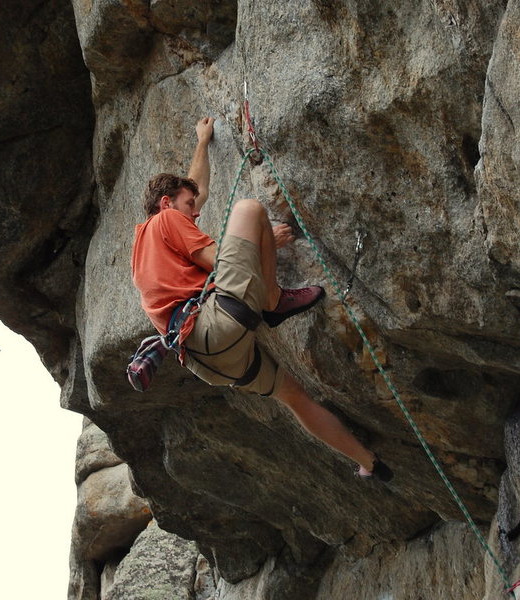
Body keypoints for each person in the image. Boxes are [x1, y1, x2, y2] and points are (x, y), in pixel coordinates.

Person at [131, 117, 392, 481]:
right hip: (216, 325)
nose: (197, 211)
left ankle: (368, 463)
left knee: (295, 397)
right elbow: (219, 259)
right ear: (166, 203)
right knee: (250, 210)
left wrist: (203, 142)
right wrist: (265, 239)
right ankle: (273, 301)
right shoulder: (167, 221)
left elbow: (196, 189)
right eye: (190, 206)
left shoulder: (145, 247)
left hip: (209, 363)